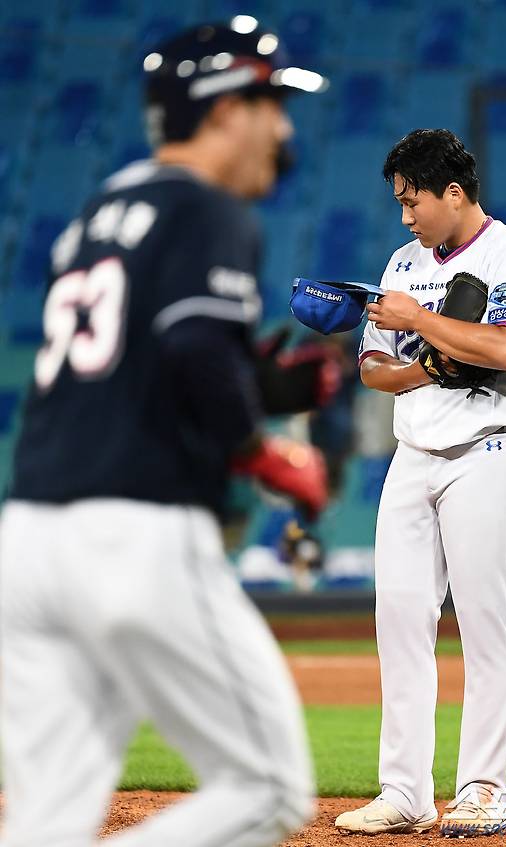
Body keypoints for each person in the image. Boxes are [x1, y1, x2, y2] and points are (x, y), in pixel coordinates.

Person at [0, 20, 332, 847]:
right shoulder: (207, 207)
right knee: (265, 787)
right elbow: (190, 345)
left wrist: (249, 380)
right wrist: (262, 449)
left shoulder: (100, 207)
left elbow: (145, 357)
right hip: (134, 534)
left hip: (28, 540)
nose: (283, 128)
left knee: (46, 818)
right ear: (224, 111)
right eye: (271, 103)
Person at [334, 129, 506, 836]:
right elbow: (374, 367)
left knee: (485, 625)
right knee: (399, 623)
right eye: (400, 201)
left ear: (452, 192)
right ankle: (405, 791)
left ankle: (484, 788)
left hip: (491, 450)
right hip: (414, 452)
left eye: (412, 199)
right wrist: (431, 363)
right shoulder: (403, 262)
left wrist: (422, 325)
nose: (405, 216)